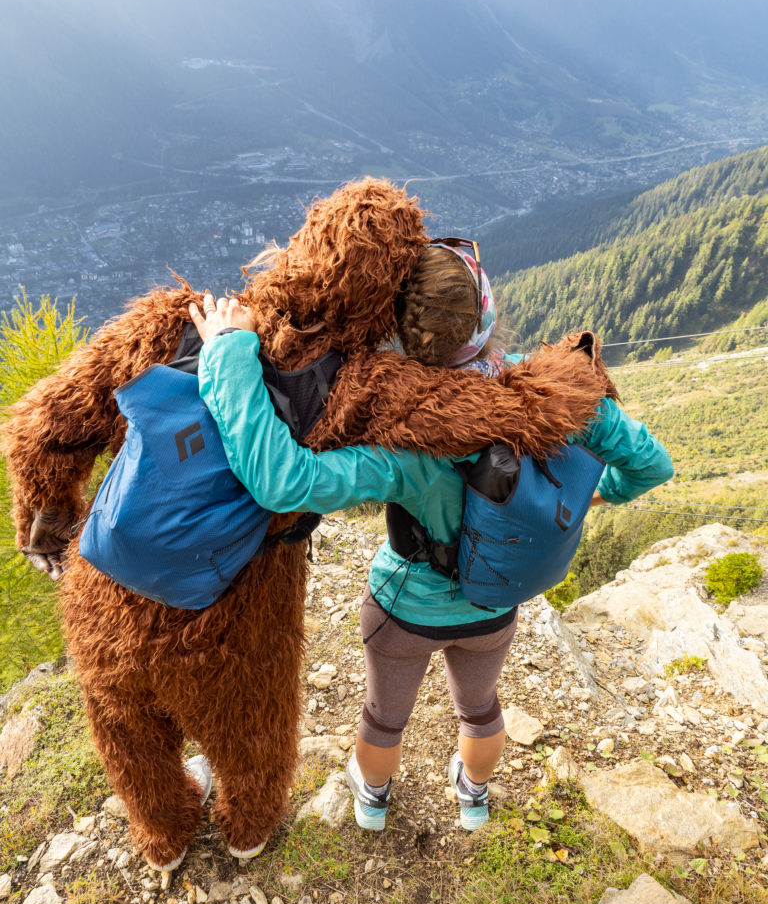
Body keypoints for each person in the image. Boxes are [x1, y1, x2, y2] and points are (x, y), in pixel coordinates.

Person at [190, 243, 673, 833]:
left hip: (405, 609)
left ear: (396, 333)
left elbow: (282, 481)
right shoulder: (558, 394)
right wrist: (587, 499)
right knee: (480, 710)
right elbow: (651, 467)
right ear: (485, 315)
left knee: (384, 718)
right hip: (495, 602)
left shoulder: (405, 442)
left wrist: (228, 354)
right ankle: (472, 799)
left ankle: (372, 801)